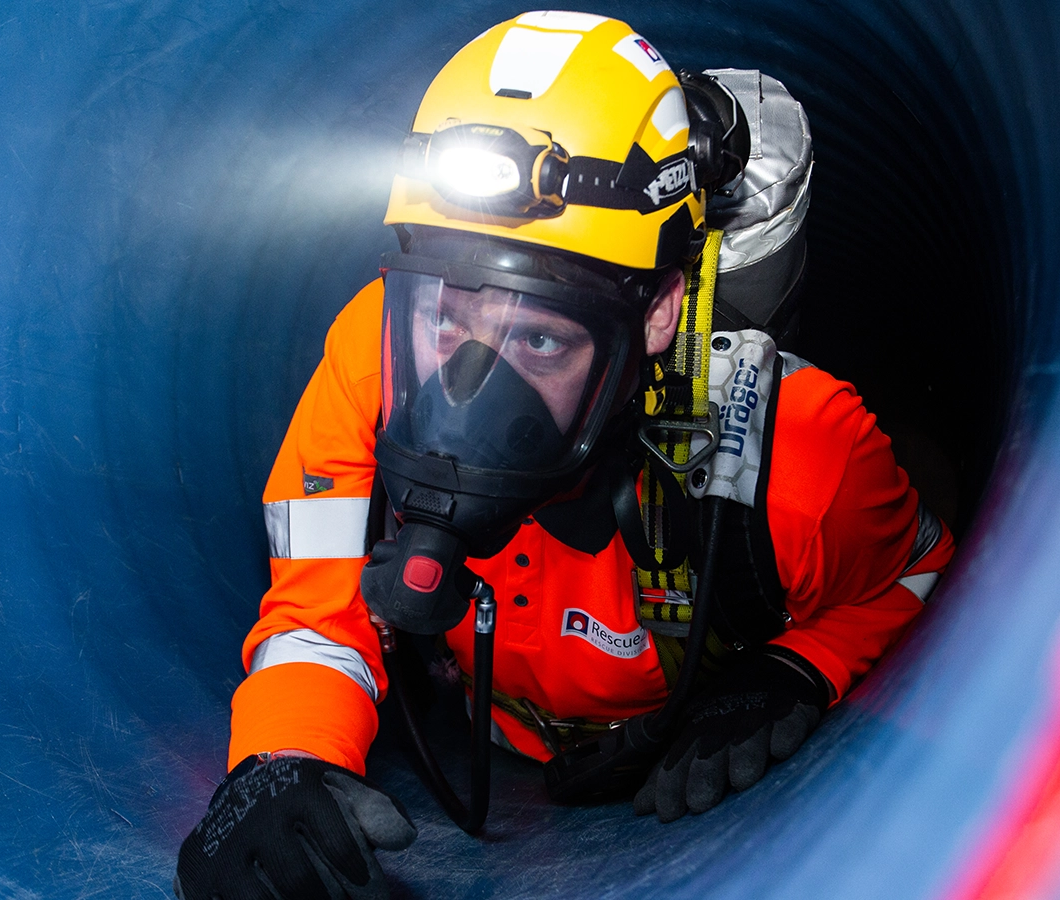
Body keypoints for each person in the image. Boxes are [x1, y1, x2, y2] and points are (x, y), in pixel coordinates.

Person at [175, 11, 953, 900]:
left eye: (540, 340)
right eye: (446, 313)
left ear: (656, 312)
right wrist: (279, 765)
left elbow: (917, 571)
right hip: (489, 730)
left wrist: (793, 670)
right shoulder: (371, 358)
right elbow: (317, 616)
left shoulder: (798, 455)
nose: (466, 388)